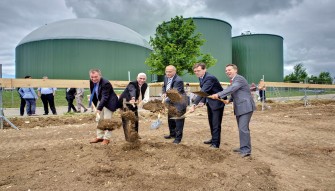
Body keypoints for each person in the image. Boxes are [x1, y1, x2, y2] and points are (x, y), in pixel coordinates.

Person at [211, 64, 256, 157]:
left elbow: (232, 88)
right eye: (226, 70)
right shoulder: (234, 80)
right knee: (242, 128)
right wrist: (229, 100)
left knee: (243, 128)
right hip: (240, 107)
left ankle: (246, 150)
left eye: (229, 70)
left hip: (245, 107)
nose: (227, 72)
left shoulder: (239, 78)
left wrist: (219, 95)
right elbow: (235, 91)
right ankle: (243, 146)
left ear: (236, 70)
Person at [190, 62, 226, 149]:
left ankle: (215, 144)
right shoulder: (201, 77)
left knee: (216, 123)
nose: (196, 73)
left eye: (198, 70)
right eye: (195, 71)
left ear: (204, 69)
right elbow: (207, 91)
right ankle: (213, 138)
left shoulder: (209, 78)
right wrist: (202, 101)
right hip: (210, 101)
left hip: (217, 102)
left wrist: (194, 104)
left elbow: (203, 91)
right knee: (211, 121)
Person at [89, 69, 118, 145]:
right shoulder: (91, 81)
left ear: (100, 76)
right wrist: (95, 105)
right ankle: (100, 137)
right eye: (92, 77)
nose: (94, 79)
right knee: (99, 119)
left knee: (107, 121)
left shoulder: (106, 83)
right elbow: (94, 93)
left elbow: (105, 97)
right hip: (101, 101)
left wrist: (99, 108)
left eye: (96, 77)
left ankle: (107, 139)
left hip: (109, 102)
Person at [118, 73, 149, 138]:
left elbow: (146, 96)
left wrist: (143, 102)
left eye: (144, 79)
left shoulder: (145, 85)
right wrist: (133, 98)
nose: (142, 80)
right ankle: (127, 136)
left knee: (135, 118)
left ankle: (135, 134)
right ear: (137, 78)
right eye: (140, 78)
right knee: (126, 119)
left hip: (133, 103)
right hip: (125, 102)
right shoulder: (132, 84)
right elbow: (132, 91)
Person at [162, 65, 187, 144]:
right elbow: (164, 86)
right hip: (171, 101)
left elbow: (174, 93)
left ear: (174, 72)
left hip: (179, 101)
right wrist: (164, 93)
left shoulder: (178, 80)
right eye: (166, 71)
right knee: (170, 119)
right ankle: (172, 134)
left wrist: (164, 102)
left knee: (178, 120)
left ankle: (178, 138)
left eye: (170, 71)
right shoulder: (166, 77)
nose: (168, 73)